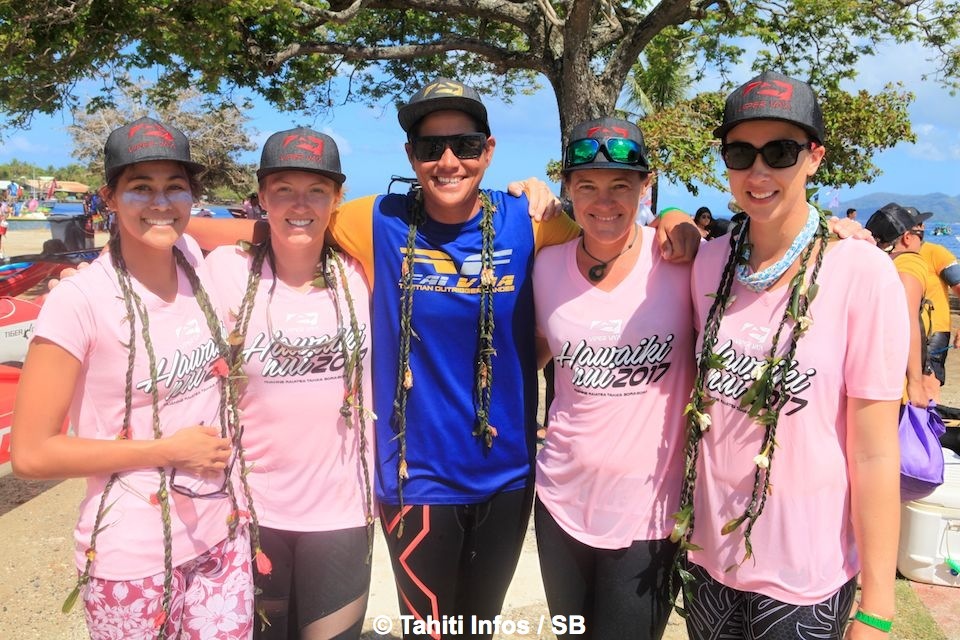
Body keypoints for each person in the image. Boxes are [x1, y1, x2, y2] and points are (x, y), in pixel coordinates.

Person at [184, 77, 700, 638]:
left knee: (479, 625)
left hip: (509, 478)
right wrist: (168, 236)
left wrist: (675, 217)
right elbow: (294, 219)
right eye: (431, 148)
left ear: (489, 151)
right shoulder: (376, 220)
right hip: (416, 481)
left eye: (466, 145)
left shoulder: (528, 222)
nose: (449, 160)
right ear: (411, 156)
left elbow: (612, 224)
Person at [674, 71, 908, 639]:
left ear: (814, 157)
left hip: (807, 577)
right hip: (711, 562)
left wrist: (877, 604)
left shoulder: (862, 270)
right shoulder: (707, 262)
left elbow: (876, 450)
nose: (758, 172)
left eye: (780, 152)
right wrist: (670, 219)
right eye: (740, 152)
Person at [10, 117, 255, 639]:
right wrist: (166, 450)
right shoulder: (79, 301)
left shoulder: (190, 256)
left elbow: (272, 229)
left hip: (222, 537)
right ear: (110, 196)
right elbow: (32, 455)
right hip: (133, 556)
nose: (161, 203)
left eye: (176, 188)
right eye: (140, 188)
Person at [205, 127, 375, 639]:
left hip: (344, 511)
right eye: (283, 190)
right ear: (261, 197)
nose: (300, 205)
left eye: (316, 191)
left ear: (336, 199)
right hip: (252, 510)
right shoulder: (224, 271)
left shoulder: (362, 272)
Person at [533, 116, 694, 639]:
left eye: (621, 185)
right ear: (568, 190)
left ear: (645, 186)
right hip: (559, 502)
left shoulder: (684, 262)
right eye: (588, 186)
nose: (604, 202)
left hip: (649, 512)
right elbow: (528, 354)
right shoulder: (544, 266)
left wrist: (835, 229)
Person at [865, 202, 939, 407]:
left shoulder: (869, 263)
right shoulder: (909, 262)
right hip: (893, 380)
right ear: (907, 238)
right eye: (920, 236)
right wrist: (915, 382)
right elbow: (906, 319)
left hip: (863, 371)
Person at [911, 207, 960, 389]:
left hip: (933, 331)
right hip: (903, 329)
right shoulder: (890, 254)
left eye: (918, 225)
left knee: (927, 386)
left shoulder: (936, 252)